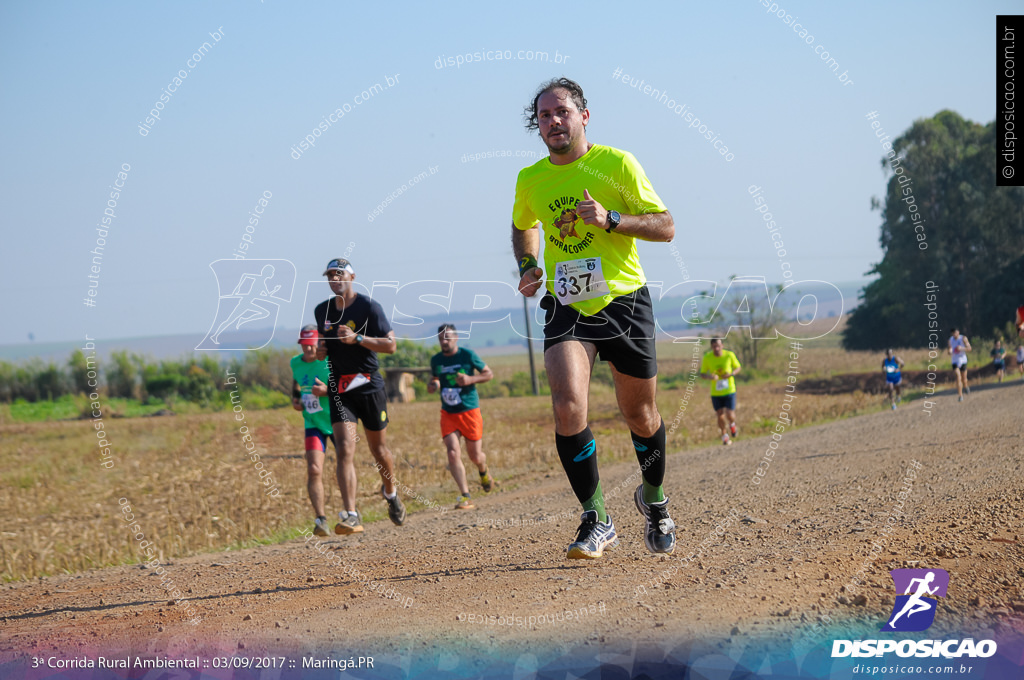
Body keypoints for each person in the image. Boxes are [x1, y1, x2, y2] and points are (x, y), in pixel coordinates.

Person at [511, 77, 677, 559]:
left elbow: (665, 226)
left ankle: (654, 499)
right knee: (567, 406)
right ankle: (597, 517)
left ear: (584, 116)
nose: (553, 121)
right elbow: (523, 226)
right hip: (569, 305)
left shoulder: (617, 163)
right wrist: (528, 265)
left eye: (562, 111)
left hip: (624, 301)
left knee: (640, 415)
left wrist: (612, 220)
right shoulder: (531, 179)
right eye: (544, 115)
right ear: (537, 125)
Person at [314, 257, 406, 534]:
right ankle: (351, 514)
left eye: (340, 274)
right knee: (344, 449)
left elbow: (391, 346)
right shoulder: (323, 311)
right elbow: (324, 343)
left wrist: (358, 339)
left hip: (368, 386)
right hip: (341, 390)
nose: (335, 280)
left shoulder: (369, 307)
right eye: (330, 276)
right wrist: (321, 350)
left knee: (379, 450)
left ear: (352, 278)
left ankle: (390, 492)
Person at [427, 324, 496, 510]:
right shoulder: (436, 360)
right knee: (452, 452)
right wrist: (433, 385)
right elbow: (435, 377)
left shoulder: (467, 355)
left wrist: (470, 380)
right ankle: (465, 495)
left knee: (475, 456)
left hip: (469, 410)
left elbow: (489, 374)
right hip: (448, 412)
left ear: (456, 337)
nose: (444, 341)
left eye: (448, 337)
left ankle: (483, 472)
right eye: (441, 338)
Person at [290, 325, 335, 536]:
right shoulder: (295, 363)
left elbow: (346, 387)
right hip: (313, 423)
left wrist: (326, 392)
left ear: (320, 344)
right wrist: (296, 398)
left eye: (311, 345)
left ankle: (351, 512)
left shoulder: (330, 361)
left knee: (346, 464)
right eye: (304, 345)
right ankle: (321, 519)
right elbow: (297, 382)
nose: (308, 350)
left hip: (337, 421)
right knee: (314, 469)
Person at [699, 338, 742, 443]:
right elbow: (702, 373)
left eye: (718, 345)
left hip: (729, 390)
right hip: (716, 392)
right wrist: (710, 377)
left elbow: (738, 367)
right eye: (714, 346)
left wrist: (731, 374)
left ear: (722, 345)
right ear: (711, 347)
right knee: (720, 414)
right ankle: (724, 435)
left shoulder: (729, 355)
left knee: (729, 414)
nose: (716, 348)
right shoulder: (707, 357)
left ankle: (732, 424)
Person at [947, 328, 972, 402]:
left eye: (955, 332)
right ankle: (960, 395)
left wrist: (961, 348)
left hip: (963, 360)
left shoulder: (963, 338)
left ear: (958, 332)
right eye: (953, 333)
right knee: (958, 377)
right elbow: (949, 350)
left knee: (964, 379)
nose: (954, 334)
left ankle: (965, 386)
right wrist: (950, 351)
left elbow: (969, 348)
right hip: (955, 361)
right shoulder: (950, 340)